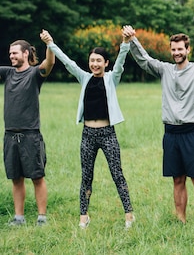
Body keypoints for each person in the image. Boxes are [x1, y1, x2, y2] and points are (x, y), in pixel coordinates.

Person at [122, 25, 194, 226]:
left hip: (193, 132)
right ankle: (180, 220)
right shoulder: (165, 70)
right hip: (171, 134)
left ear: (188, 49)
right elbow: (144, 60)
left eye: (180, 49)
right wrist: (132, 40)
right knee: (177, 179)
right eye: (173, 49)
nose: (176, 53)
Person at [40, 29, 135, 229]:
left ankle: (129, 216)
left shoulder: (111, 78)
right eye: (92, 60)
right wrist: (51, 43)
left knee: (117, 174)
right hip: (88, 135)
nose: (95, 64)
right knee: (86, 176)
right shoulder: (84, 78)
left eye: (99, 60)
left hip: (108, 134)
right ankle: (84, 217)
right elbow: (67, 62)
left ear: (105, 63)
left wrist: (125, 42)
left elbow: (121, 62)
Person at [1, 33, 55, 226]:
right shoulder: (7, 73)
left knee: (37, 177)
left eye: (15, 53)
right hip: (9, 135)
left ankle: (42, 218)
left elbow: (49, 64)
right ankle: (19, 218)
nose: (11, 56)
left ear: (25, 53)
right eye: (10, 54)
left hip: (30, 135)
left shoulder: (33, 74)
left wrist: (49, 44)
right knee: (16, 178)